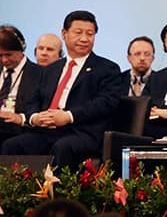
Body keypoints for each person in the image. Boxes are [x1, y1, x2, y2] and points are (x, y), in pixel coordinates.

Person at [1, 10, 121, 167]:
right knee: (12, 145)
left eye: (90, 34)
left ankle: (57, 192)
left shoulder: (107, 68)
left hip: (81, 131)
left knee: (62, 147)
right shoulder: (51, 69)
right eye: (78, 33)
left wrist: (69, 116)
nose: (84, 39)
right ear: (64, 34)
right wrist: (34, 117)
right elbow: (34, 100)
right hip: (46, 131)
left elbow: (106, 103)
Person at [0, 25, 42, 147]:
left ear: (21, 50)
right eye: (0, 56)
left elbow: (38, 107)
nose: (4, 60)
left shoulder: (39, 73)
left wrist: (19, 117)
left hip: (20, 126)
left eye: (9, 55)